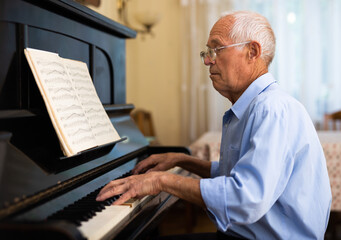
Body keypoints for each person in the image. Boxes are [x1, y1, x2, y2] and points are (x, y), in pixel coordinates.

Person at [96, 11, 332, 240]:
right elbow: (237, 175)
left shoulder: (272, 109)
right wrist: (181, 160)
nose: (208, 60)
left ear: (252, 51)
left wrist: (161, 180)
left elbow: (246, 198)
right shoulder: (256, 106)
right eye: (207, 52)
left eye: (217, 49)